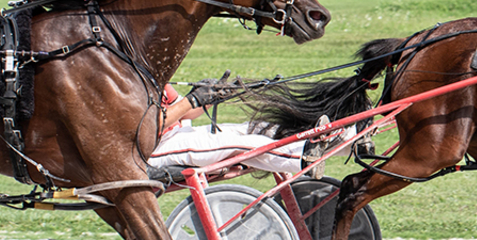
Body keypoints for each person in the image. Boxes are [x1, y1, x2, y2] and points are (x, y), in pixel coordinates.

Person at [149, 72, 348, 177]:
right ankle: (304, 158)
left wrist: (210, 97)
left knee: (257, 127)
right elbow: (147, 127)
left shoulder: (152, 77)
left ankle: (342, 142)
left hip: (181, 135)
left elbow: (186, 112)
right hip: (154, 150)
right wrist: (192, 99)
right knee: (239, 143)